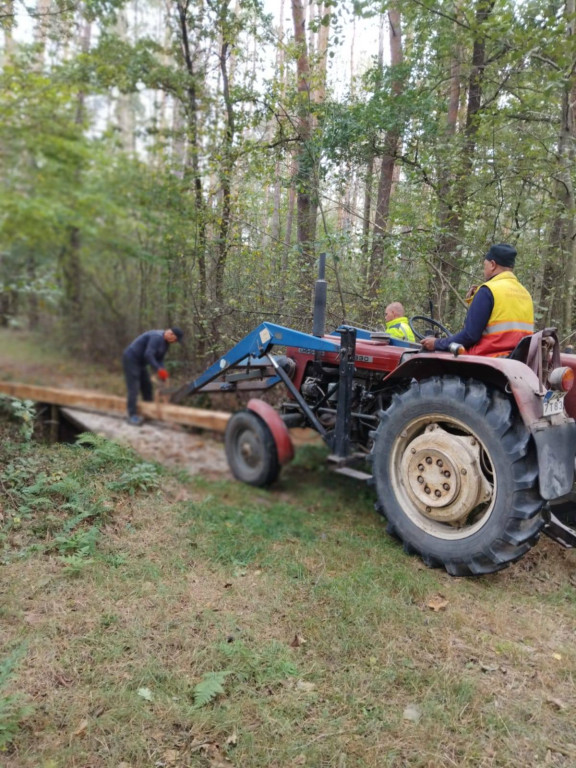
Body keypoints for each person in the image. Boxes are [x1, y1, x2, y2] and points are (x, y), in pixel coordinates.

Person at [421, 243, 533, 357]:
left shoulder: (488, 290)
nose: (484, 270)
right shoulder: (525, 293)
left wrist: (437, 343)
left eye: (485, 265)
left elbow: (470, 336)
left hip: (486, 360)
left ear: (493, 265)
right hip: (516, 361)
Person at [122, 327, 183, 425]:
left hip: (141, 363)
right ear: (170, 334)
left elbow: (159, 359)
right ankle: (132, 416)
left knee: (147, 386)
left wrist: (162, 370)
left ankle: (148, 412)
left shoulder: (166, 344)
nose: (174, 342)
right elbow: (149, 355)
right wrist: (158, 369)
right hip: (131, 359)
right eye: (175, 339)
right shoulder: (156, 337)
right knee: (134, 387)